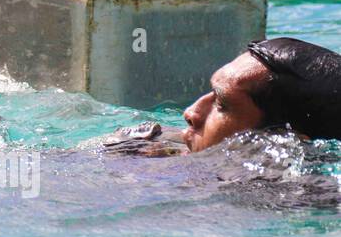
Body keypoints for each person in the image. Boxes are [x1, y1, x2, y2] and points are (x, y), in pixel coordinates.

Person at [103, 37, 341, 156]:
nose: (191, 113)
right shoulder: (150, 142)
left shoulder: (296, 197)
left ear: (281, 142)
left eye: (221, 104)